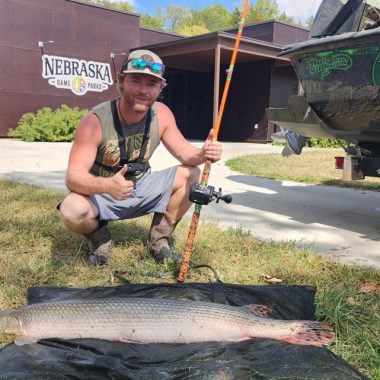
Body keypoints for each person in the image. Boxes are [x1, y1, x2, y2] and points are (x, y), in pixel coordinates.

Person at [58, 49, 222, 266]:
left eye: (152, 84)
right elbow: (73, 177)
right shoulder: (94, 121)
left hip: (142, 186)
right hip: (103, 193)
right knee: (72, 209)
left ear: (160, 88)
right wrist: (107, 186)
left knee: (191, 174)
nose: (144, 90)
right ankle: (99, 238)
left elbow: (184, 153)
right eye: (136, 81)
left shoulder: (162, 114)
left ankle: (159, 239)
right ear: (121, 82)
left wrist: (203, 153)